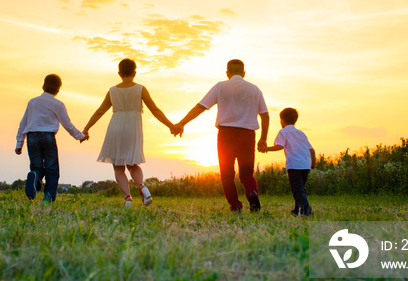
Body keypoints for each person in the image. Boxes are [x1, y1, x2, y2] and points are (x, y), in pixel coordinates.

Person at [83, 58, 180, 207]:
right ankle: (142, 186)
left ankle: (128, 197)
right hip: (133, 128)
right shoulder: (140, 89)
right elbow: (155, 110)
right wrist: (170, 125)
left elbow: (99, 112)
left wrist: (86, 128)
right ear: (135, 72)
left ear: (119, 73)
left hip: (115, 127)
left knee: (118, 167)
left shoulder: (112, 91)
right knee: (133, 164)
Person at [176, 59, 269, 212]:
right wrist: (263, 139)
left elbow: (201, 106)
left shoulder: (220, 87)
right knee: (246, 173)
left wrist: (182, 123)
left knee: (226, 174)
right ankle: (252, 193)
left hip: (226, 134)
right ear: (244, 73)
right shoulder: (255, 90)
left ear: (227, 73)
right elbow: (265, 115)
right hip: (247, 134)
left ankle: (235, 205)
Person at [15, 74, 88, 204]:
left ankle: (36, 176)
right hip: (48, 137)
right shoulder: (58, 104)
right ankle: (47, 199)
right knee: (52, 170)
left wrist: (19, 143)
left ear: (43, 86)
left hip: (32, 137)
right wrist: (80, 136)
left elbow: (23, 123)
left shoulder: (32, 102)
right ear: (58, 90)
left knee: (36, 167)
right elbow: (67, 124)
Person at [259, 107, 315, 216]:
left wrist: (266, 149)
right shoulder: (301, 133)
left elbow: (279, 146)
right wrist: (313, 164)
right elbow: (311, 150)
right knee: (300, 188)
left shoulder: (283, 132)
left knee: (297, 190)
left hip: (294, 165)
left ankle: (307, 211)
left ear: (282, 120)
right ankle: (296, 210)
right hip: (305, 165)